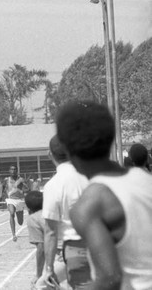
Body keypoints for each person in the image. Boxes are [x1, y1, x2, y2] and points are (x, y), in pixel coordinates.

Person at [57, 101, 152, 289]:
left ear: (67, 150)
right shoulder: (145, 179)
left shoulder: (91, 204)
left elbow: (110, 279)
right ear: (110, 140)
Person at [37, 135, 90, 290]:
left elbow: (50, 232)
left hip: (75, 250)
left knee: (42, 285)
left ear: (50, 154)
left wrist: (49, 269)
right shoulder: (90, 176)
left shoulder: (53, 185)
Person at [1, 165, 28, 242]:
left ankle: (20, 212)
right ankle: (14, 235)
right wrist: (1, 195)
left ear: (17, 170)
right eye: (11, 169)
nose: (13, 171)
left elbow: (28, 188)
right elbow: (2, 187)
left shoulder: (21, 180)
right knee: (12, 213)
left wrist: (21, 191)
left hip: (19, 200)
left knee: (20, 222)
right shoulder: (6, 180)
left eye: (15, 169)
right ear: (9, 171)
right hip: (10, 200)